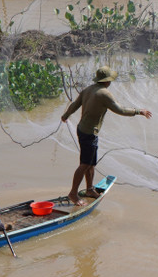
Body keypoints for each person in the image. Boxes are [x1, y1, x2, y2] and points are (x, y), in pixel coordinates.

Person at [61, 66, 151, 206]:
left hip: (83, 130)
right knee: (85, 164)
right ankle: (73, 193)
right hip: (89, 133)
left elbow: (75, 105)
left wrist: (65, 115)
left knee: (91, 163)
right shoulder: (104, 94)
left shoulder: (88, 89)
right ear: (107, 81)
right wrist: (139, 111)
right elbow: (120, 110)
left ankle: (90, 189)